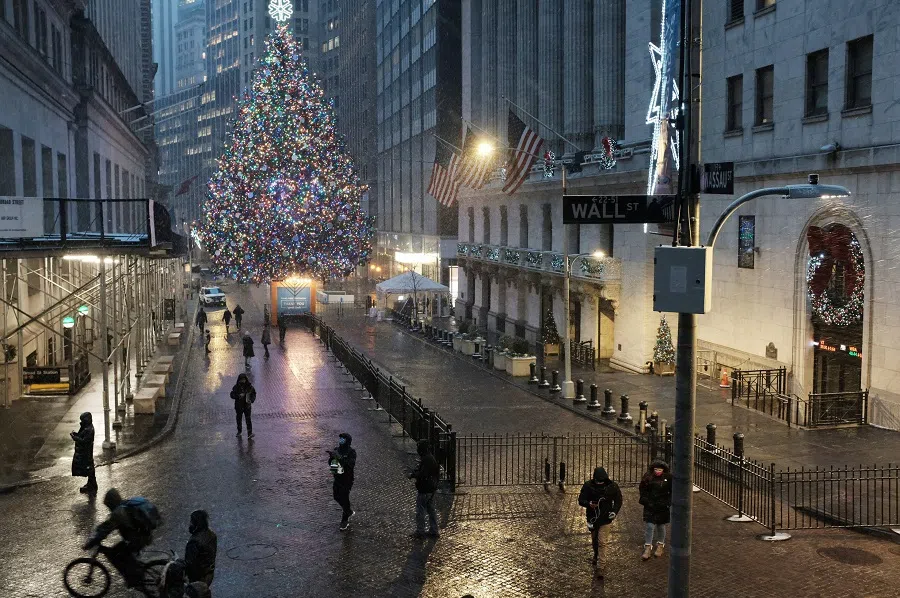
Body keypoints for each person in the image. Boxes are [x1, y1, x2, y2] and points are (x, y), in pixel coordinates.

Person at [84, 489, 161, 588]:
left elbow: (106, 529)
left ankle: (135, 578)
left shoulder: (118, 513)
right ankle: (135, 574)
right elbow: (107, 525)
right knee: (122, 551)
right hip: (144, 535)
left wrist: (92, 542)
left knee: (117, 554)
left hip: (138, 539)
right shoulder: (124, 505)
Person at [577, 467, 623, 570]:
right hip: (592, 517)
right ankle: (596, 555)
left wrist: (614, 512)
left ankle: (601, 565)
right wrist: (589, 504)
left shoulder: (612, 486)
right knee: (595, 540)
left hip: (606, 518)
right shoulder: (588, 486)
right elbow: (581, 500)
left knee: (602, 541)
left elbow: (618, 500)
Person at [639, 459, 672, 560]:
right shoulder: (648, 477)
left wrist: (667, 503)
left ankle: (660, 545)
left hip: (662, 506)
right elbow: (642, 490)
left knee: (661, 526)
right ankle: (648, 547)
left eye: (660, 469)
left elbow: (672, 491)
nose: (658, 471)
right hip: (651, 505)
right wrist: (647, 501)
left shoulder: (669, 478)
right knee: (649, 526)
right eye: (656, 469)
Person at [409, 439, 440, 538]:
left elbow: (423, 474)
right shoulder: (429, 458)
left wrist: (413, 475)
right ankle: (434, 530)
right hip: (431, 488)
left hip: (425, 489)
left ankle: (420, 531)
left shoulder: (427, 459)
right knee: (431, 510)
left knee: (420, 510)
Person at [328, 432, 357, 530]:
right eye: (340, 439)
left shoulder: (351, 452)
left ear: (347, 441)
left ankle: (344, 519)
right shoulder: (337, 450)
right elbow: (331, 463)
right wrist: (332, 457)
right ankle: (348, 511)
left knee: (344, 498)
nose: (341, 441)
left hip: (347, 479)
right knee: (336, 496)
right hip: (337, 477)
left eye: (343, 439)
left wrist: (339, 458)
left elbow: (350, 465)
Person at [184, 510, 217, 586]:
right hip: (209, 573)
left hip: (199, 578)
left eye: (191, 522)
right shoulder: (212, 535)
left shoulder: (194, 542)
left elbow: (189, 563)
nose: (190, 524)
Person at [71, 412, 97, 494]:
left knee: (89, 467)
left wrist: (75, 438)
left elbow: (85, 441)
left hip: (87, 452)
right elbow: (82, 436)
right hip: (85, 452)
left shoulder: (89, 429)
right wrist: (76, 435)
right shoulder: (86, 427)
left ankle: (92, 485)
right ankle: (91, 484)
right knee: (89, 467)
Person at [230, 373, 256, 438]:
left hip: (247, 406)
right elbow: (232, 395)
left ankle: (249, 433)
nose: (242, 381)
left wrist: (252, 400)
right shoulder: (236, 387)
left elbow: (254, 393)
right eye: (241, 380)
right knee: (239, 419)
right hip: (239, 406)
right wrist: (238, 396)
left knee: (248, 419)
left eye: (244, 379)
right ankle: (239, 431)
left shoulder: (249, 387)